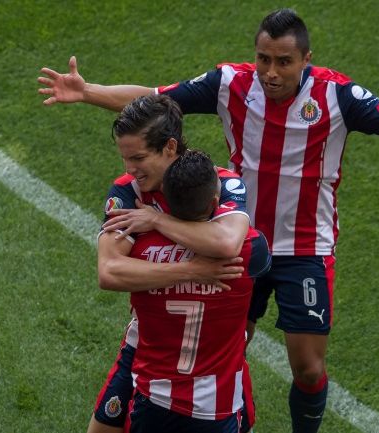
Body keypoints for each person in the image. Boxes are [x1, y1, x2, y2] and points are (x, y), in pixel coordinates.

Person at [39, 9, 379, 433]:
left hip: (304, 248)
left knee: (309, 368)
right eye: (264, 59)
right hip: (237, 236)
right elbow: (156, 100)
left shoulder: (337, 96)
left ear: (306, 60)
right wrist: (87, 92)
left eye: (283, 62)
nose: (271, 72)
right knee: (224, 346)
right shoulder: (230, 84)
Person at [89, 94, 260, 433]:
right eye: (124, 158)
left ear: (169, 147)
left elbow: (227, 243)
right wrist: (191, 270)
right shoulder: (128, 191)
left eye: (138, 157)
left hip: (210, 365)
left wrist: (156, 221)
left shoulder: (220, 184)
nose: (129, 169)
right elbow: (109, 271)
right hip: (145, 347)